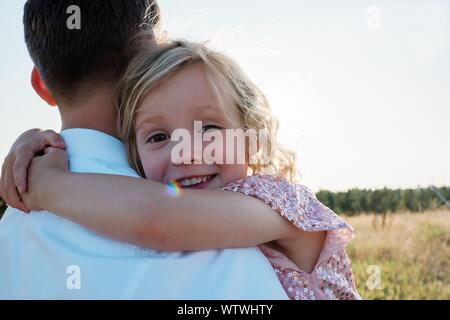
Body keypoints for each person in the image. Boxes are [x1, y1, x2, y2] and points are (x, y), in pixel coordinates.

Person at [1, 40, 361, 300]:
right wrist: (38, 141)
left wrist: (47, 184)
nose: (186, 153)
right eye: (158, 136)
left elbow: (155, 218)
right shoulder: (157, 188)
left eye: (209, 129)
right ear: (132, 152)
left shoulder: (281, 205)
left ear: (251, 137)